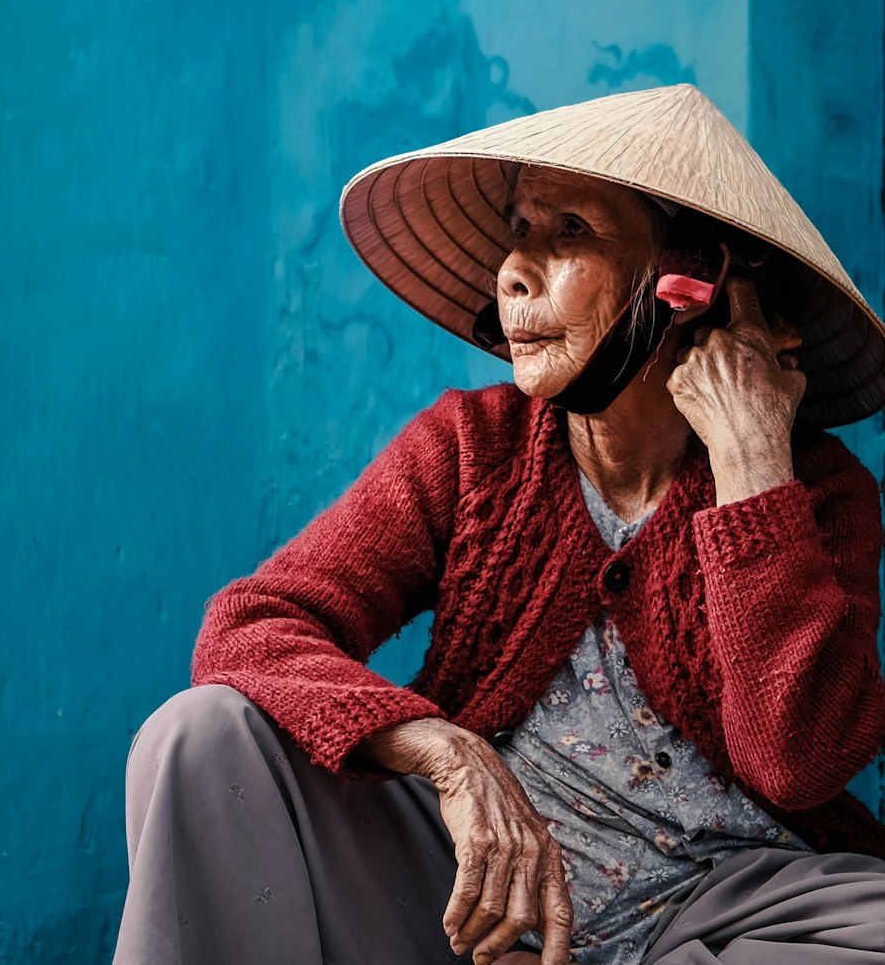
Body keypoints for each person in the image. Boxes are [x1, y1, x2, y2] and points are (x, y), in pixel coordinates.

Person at [112, 83, 885, 965]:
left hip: (728, 915)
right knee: (199, 735)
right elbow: (251, 627)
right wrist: (448, 753)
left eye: (571, 236)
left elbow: (802, 764)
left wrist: (752, 459)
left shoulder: (816, 490)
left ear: (691, 286)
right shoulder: (473, 447)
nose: (514, 272)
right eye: (520, 232)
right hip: (478, 906)